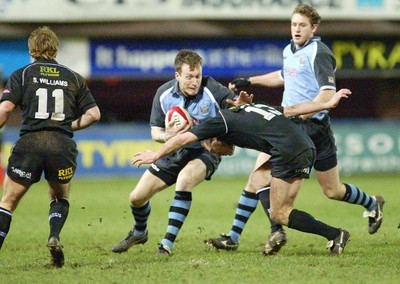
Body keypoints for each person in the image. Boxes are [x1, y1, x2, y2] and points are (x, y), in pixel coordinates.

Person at [206, 3, 384, 255]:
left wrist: (293, 111)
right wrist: (251, 80)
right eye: (293, 24)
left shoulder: (319, 53)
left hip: (313, 129)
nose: (296, 29)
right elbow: (283, 75)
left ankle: (370, 205)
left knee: (331, 190)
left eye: (302, 25)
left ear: (314, 27)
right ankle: (239, 236)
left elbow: (327, 95)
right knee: (257, 179)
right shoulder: (290, 50)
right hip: (288, 126)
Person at [132, 89, 352, 256]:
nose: (223, 153)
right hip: (302, 145)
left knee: (280, 213)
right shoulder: (251, 108)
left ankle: (334, 234)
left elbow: (183, 138)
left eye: (213, 148)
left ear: (215, 137)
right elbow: (292, 110)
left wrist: (155, 155)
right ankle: (238, 236)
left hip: (289, 152)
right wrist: (327, 103)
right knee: (257, 178)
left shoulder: (219, 123)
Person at [111, 50, 237, 256]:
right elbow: (155, 132)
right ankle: (140, 232)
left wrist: (238, 108)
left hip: (204, 152)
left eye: (197, 76)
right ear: (177, 75)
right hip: (174, 152)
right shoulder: (164, 94)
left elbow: (235, 108)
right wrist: (169, 135)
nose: (194, 82)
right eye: (189, 77)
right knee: (136, 198)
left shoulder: (212, 89)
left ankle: (166, 244)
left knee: (184, 180)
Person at [0, 26, 101, 267]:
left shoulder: (21, 74)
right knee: (59, 196)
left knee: (8, 202)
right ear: (56, 48)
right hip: (61, 144)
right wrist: (70, 125)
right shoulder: (73, 76)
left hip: (30, 142)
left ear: (30, 49)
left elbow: (5, 109)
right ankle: (54, 235)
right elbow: (94, 114)